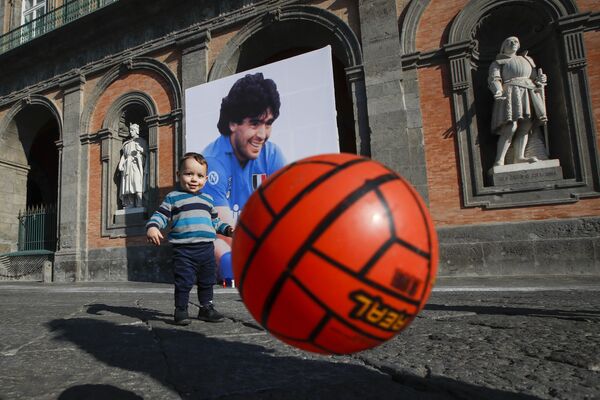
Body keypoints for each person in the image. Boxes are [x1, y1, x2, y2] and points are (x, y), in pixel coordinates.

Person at [202, 72, 286, 285]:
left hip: (255, 239)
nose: (263, 134)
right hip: (227, 238)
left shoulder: (273, 154)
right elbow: (225, 232)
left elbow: (284, 211)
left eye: (268, 124)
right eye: (255, 123)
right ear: (233, 123)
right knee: (218, 246)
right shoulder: (211, 160)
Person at [146, 152, 234, 325]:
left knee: (207, 281)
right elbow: (161, 215)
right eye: (189, 174)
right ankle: (181, 310)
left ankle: (206, 308)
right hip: (183, 250)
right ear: (178, 175)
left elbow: (215, 222)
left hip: (206, 249)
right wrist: (153, 226)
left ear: (206, 179)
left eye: (200, 176)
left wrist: (228, 230)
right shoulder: (173, 197)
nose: (194, 179)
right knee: (183, 281)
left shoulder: (208, 200)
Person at [488, 36, 548, 167]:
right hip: (510, 92)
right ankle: (499, 160)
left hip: (528, 90)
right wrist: (497, 90)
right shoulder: (499, 62)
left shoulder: (526, 59)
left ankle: (519, 157)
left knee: (526, 125)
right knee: (510, 126)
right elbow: (494, 79)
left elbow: (534, 78)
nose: (513, 43)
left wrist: (540, 80)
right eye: (509, 41)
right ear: (503, 47)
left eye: (515, 41)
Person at [118, 123, 147, 208]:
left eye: (132, 130)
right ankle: (130, 204)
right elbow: (124, 156)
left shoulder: (142, 141)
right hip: (127, 166)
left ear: (137, 131)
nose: (131, 132)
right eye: (130, 130)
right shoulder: (126, 144)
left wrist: (141, 150)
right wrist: (120, 164)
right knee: (128, 185)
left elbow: (146, 153)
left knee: (137, 183)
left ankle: (139, 203)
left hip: (136, 165)